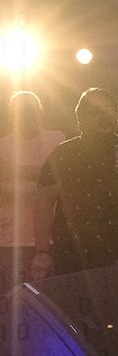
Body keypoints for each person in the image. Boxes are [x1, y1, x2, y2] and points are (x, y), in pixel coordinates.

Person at [31, 87, 118, 279]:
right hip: (76, 257)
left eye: (110, 111)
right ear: (81, 118)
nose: (105, 117)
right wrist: (42, 253)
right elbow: (43, 202)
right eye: (97, 112)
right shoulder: (64, 154)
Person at [0, 91, 66, 292]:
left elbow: (63, 181)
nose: (27, 115)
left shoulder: (58, 139)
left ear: (40, 112)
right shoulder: (2, 145)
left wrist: (15, 172)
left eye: (31, 110)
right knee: (10, 301)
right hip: (10, 239)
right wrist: (43, 179)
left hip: (51, 238)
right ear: (13, 114)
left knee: (50, 303)